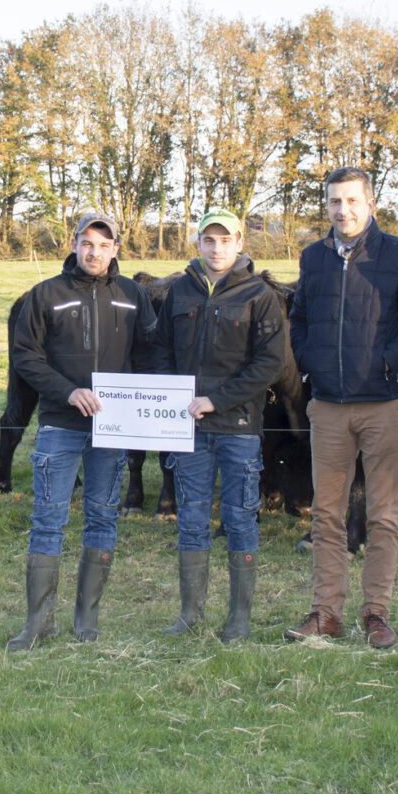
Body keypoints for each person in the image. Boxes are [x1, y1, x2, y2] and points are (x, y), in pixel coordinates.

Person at [285, 168, 398, 648]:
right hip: (329, 406)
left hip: (385, 404)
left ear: (371, 203)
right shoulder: (314, 258)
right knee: (326, 514)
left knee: (383, 515)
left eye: (352, 200)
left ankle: (376, 613)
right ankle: (326, 612)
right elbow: (300, 319)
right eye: (334, 201)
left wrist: (388, 362)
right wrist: (310, 366)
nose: (342, 210)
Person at [6, 211, 159, 650]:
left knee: (102, 518)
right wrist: (68, 391)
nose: (94, 252)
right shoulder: (45, 295)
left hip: (112, 430)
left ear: (116, 249)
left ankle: (86, 622)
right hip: (60, 424)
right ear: (74, 244)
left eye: (103, 244)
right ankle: (38, 623)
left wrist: (143, 407)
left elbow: (149, 355)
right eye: (87, 243)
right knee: (48, 520)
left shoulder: (134, 296)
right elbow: (26, 356)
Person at [158, 209, 289, 642]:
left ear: (238, 244)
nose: (217, 249)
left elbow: (269, 363)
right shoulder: (179, 291)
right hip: (188, 429)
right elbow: (160, 352)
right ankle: (190, 615)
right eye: (208, 241)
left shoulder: (259, 295)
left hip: (238, 427)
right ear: (198, 243)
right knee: (191, 520)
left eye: (225, 240)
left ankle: (238, 619)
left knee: (239, 519)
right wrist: (165, 402)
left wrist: (218, 400)